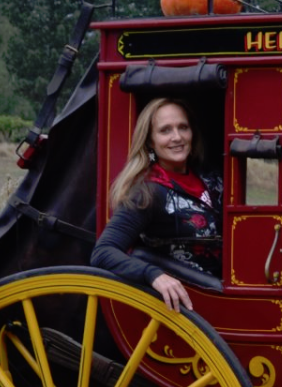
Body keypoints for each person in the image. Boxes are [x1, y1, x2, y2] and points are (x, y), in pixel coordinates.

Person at [91, 97, 223, 312]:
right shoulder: (147, 192)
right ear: (150, 141)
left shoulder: (211, 178)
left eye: (183, 127)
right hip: (190, 303)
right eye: (165, 130)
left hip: (223, 289)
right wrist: (153, 275)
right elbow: (103, 251)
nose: (177, 137)